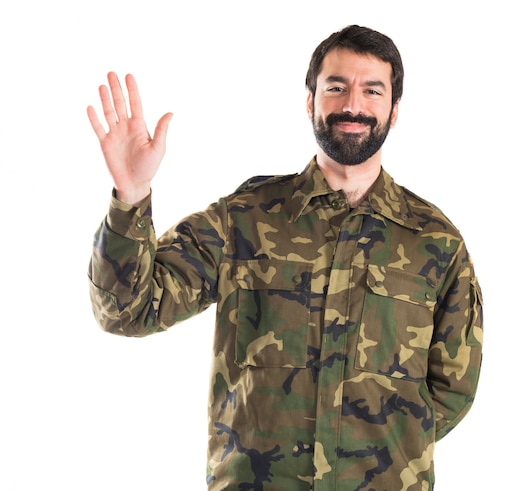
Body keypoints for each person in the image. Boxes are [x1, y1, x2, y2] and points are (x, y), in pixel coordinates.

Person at [87, 24, 483, 491]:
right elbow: (128, 310)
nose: (352, 104)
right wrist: (132, 196)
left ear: (394, 110)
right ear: (310, 101)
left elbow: (452, 390)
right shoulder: (243, 219)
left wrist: (382, 450)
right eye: (335, 87)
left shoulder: (435, 242)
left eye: (372, 90)